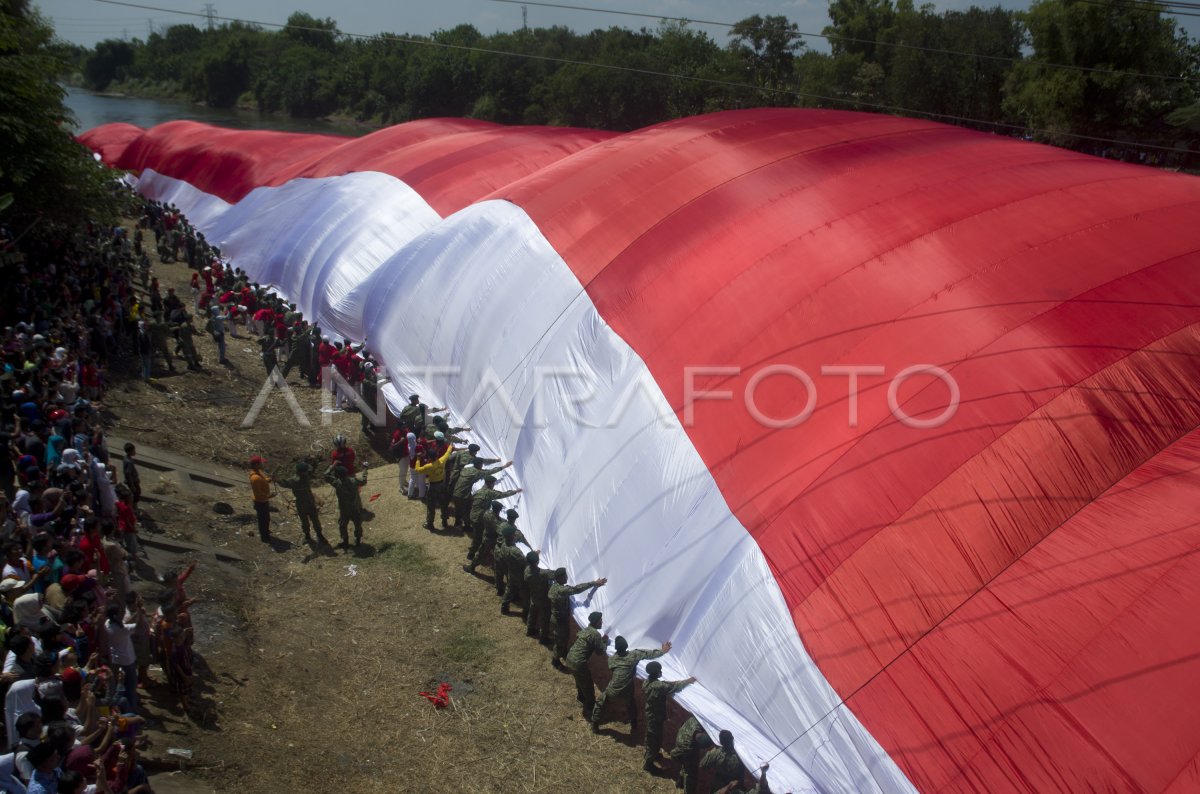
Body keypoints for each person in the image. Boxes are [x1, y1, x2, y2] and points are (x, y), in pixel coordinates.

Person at [592, 636, 672, 733]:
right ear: (626, 646)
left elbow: (612, 668)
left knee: (600, 703)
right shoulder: (634, 655)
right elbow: (649, 654)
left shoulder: (612, 660)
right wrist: (663, 651)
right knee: (631, 705)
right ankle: (634, 725)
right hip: (626, 692)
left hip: (613, 691)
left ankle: (595, 724)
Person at [548, 570, 608, 670]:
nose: (567, 578)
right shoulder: (561, 590)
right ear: (559, 578)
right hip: (560, 621)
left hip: (558, 619)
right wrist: (594, 583)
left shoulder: (554, 587)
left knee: (564, 637)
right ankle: (555, 660)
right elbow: (576, 589)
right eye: (565, 577)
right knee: (560, 641)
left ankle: (562, 652)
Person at [643, 662, 697, 772]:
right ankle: (649, 765)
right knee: (654, 740)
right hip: (655, 717)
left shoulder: (646, 682)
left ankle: (653, 754)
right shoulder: (659, 686)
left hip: (651, 713)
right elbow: (674, 686)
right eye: (659, 671)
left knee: (651, 737)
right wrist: (688, 681)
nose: (661, 672)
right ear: (656, 673)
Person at [449, 454, 511, 532]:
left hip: (456, 492)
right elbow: (490, 472)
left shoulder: (466, 469)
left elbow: (483, 463)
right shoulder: (477, 473)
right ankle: (467, 526)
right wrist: (504, 466)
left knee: (458, 509)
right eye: (481, 464)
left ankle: (457, 523)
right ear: (479, 465)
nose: (482, 465)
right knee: (467, 510)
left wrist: (495, 460)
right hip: (463, 496)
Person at [565, 610, 609, 720]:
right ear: (596, 622)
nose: (602, 623)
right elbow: (599, 652)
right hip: (579, 663)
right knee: (588, 685)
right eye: (600, 621)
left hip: (570, 658)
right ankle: (590, 707)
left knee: (579, 679)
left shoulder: (585, 630)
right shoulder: (595, 634)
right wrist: (604, 642)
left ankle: (581, 696)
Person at [276, 461, 327, 548]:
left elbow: (283, 483)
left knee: (314, 520)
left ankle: (319, 535)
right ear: (302, 472)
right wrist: (276, 479)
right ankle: (308, 536)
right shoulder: (295, 481)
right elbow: (282, 483)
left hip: (308, 503)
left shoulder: (301, 477)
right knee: (305, 521)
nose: (308, 472)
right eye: (306, 471)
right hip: (303, 503)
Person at [413, 435, 453, 530]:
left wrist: (418, 459)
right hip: (442, 485)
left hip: (433, 487)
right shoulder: (441, 461)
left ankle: (430, 524)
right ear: (436, 455)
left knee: (431, 506)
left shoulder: (428, 466)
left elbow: (418, 470)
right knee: (443, 504)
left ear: (429, 457)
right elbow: (448, 453)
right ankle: (444, 521)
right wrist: (451, 444)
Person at [324, 464, 367, 550]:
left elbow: (326, 475)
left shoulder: (336, 483)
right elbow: (364, 480)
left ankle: (345, 542)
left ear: (337, 475)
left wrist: (332, 466)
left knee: (343, 525)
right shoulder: (354, 481)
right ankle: (358, 540)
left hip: (344, 509)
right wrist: (365, 469)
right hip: (355, 508)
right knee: (357, 524)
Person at [671, 715, 715, 794]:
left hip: (680, 742)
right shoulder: (697, 729)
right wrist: (713, 737)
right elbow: (703, 742)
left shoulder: (692, 718)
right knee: (691, 774)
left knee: (685, 764)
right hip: (687, 750)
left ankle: (680, 783)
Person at [248, 455, 273, 543]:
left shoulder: (259, 472)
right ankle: (265, 537)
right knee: (263, 519)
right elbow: (258, 493)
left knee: (266, 518)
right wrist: (269, 496)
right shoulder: (255, 478)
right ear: (256, 465)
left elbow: (264, 479)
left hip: (264, 501)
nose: (262, 464)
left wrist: (269, 479)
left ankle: (265, 531)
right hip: (260, 502)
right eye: (260, 463)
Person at [121, 442, 141, 511]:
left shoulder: (126, 458)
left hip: (133, 480)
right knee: (136, 493)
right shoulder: (129, 461)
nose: (135, 452)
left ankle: (134, 506)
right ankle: (134, 507)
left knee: (136, 493)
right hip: (133, 481)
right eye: (133, 450)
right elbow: (128, 473)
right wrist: (132, 485)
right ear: (129, 451)